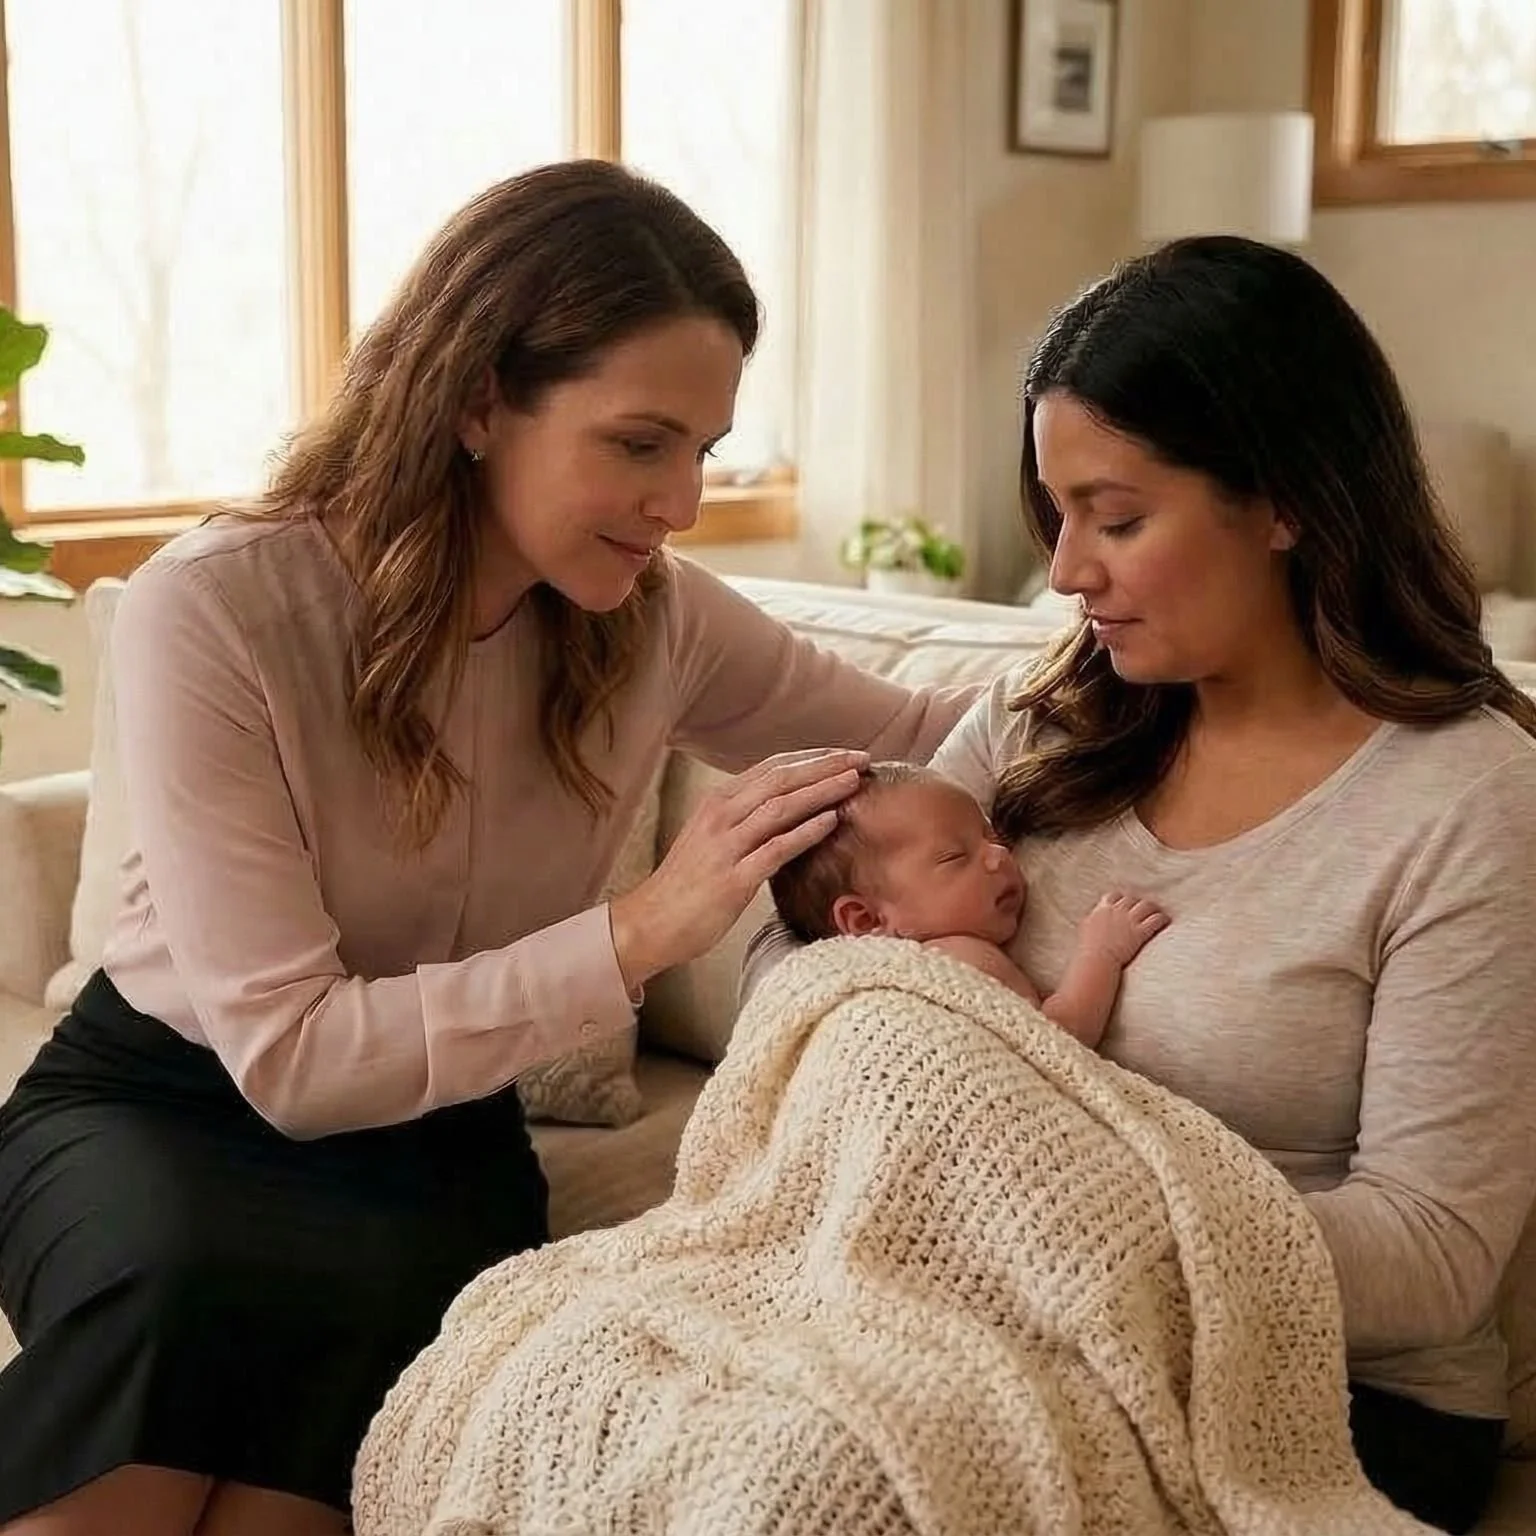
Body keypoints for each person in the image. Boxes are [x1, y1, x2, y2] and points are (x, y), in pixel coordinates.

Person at [0, 161, 977, 1536]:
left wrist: (1149, 652)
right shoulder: (216, 609)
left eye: (704, 449)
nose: (684, 501)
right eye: (641, 445)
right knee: (174, 1312)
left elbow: (940, 728)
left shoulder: (663, 618)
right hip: (162, 1105)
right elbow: (288, 1059)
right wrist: (645, 929)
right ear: (473, 401)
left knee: (361, 1392)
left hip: (435, 1144)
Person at [746, 235, 1536, 1535]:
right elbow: (814, 962)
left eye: (1116, 519)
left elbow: (1439, 1255)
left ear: (1284, 499)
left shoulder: (1471, 802)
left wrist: (1074, 1224)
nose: (1065, 573)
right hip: (989, 1318)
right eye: (1057, 518)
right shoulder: (1037, 721)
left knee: (816, 1495)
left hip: (1330, 1397)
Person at [768, 761, 1168, 1047]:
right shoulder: (959, 957)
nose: (999, 857)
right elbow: (1057, 1041)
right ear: (866, 918)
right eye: (954, 857)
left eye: (992, 838)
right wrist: (1101, 953)